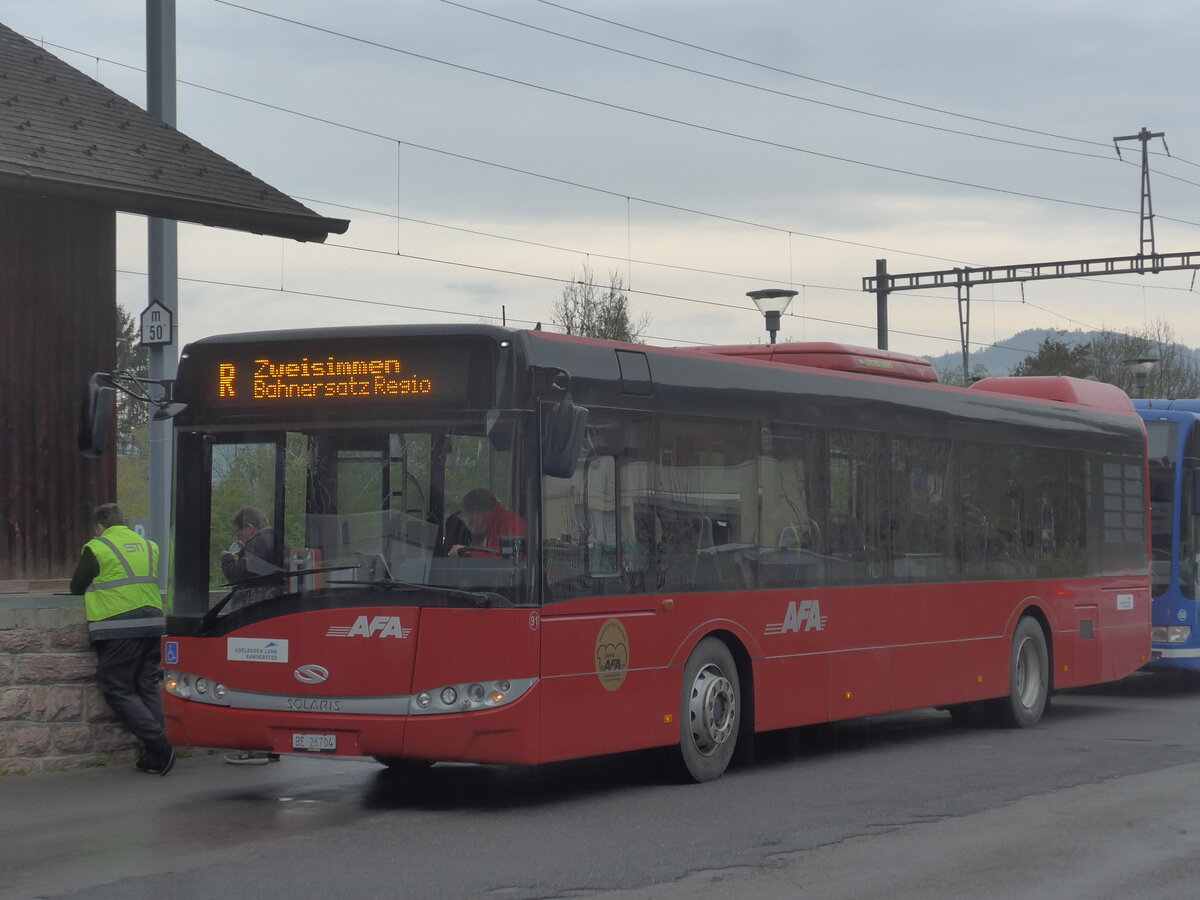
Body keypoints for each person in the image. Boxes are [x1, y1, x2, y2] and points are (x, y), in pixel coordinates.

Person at [70, 503, 174, 776]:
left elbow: (77, 586)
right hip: (152, 623)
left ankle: (160, 743)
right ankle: (158, 754)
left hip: (119, 625)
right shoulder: (149, 545)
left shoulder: (98, 546)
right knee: (147, 683)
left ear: (100, 527)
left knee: (116, 687)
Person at [219, 506, 289, 765]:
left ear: (249, 528)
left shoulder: (258, 545)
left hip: (253, 621)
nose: (240, 536)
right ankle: (271, 744)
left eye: (240, 531)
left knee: (249, 684)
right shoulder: (281, 541)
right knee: (269, 686)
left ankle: (254, 746)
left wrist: (228, 558)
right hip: (275, 621)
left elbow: (239, 576)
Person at [447, 488, 526, 557]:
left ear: (474, 516)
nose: (466, 523)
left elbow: (515, 555)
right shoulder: (487, 530)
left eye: (465, 516)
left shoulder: (511, 523)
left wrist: (469, 551)